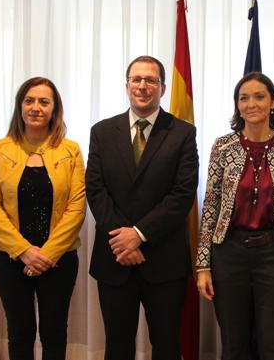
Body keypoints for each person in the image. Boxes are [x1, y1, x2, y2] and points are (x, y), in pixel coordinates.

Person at [86, 55, 199, 360]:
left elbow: (182, 194)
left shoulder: (183, 133)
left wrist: (139, 234)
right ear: (127, 86)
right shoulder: (102, 132)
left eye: (151, 80)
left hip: (164, 260)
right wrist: (123, 239)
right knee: (117, 346)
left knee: (166, 346)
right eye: (136, 79)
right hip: (115, 257)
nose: (143, 86)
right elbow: (95, 190)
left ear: (162, 88)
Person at [196, 72, 274, 360]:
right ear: (237, 105)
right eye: (243, 98)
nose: (251, 104)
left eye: (259, 96)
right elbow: (210, 208)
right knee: (233, 344)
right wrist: (203, 267)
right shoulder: (222, 147)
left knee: (272, 344)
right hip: (229, 253)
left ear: (273, 102)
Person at [0, 77, 86, 360]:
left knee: (54, 332)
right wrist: (25, 251)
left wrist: (47, 254)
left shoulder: (71, 150)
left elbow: (76, 207)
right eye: (29, 101)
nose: (36, 107)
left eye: (44, 101)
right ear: (20, 107)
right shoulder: (0, 148)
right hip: (9, 257)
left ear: (55, 109)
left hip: (60, 258)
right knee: (19, 332)